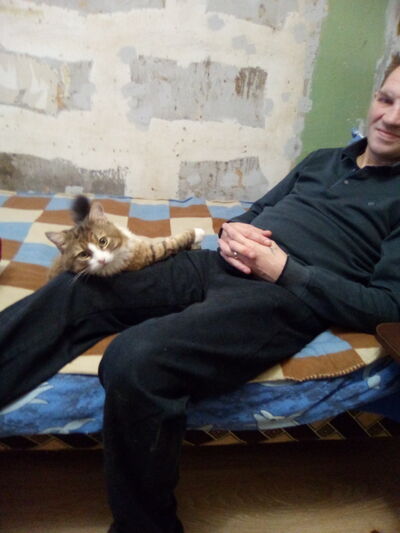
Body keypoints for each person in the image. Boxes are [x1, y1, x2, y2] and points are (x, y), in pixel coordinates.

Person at [1, 61, 400, 533]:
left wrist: (284, 270)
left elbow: (387, 306)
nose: (391, 117)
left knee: (137, 358)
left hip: (281, 298)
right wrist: (232, 233)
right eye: (386, 99)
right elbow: (254, 211)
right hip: (219, 264)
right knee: (82, 285)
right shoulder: (322, 159)